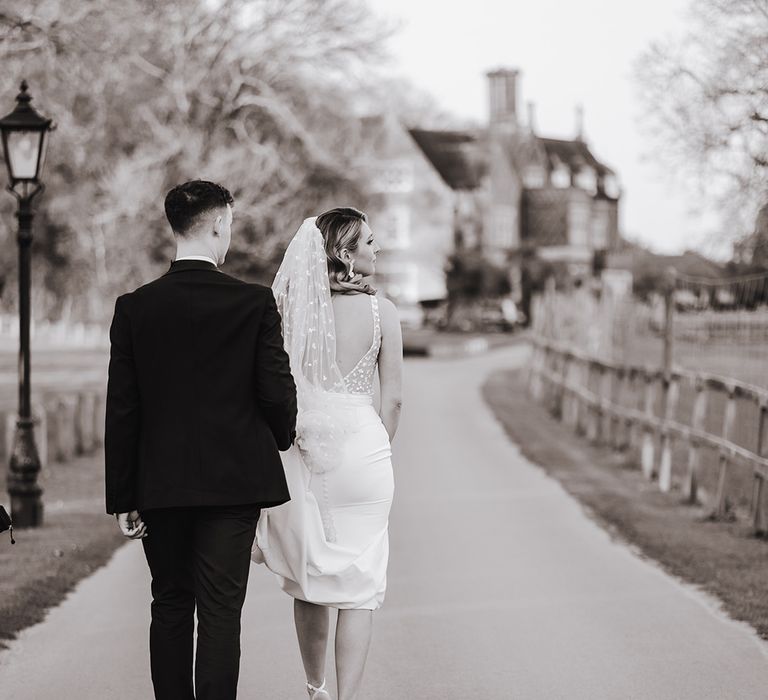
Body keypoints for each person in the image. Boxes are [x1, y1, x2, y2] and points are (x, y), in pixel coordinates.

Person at [104, 179, 297, 700]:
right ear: (216, 223)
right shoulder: (253, 304)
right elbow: (277, 394)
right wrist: (281, 438)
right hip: (233, 486)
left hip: (160, 484)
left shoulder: (134, 308)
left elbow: (122, 409)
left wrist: (124, 494)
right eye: (229, 224)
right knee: (219, 611)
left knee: (169, 602)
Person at [253, 207, 403, 700]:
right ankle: (347, 698)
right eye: (369, 242)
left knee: (311, 574)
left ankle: (314, 689)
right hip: (364, 448)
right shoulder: (384, 312)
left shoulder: (295, 312)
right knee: (361, 585)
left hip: (308, 449)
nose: (377, 249)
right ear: (345, 253)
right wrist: (380, 444)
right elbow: (394, 397)